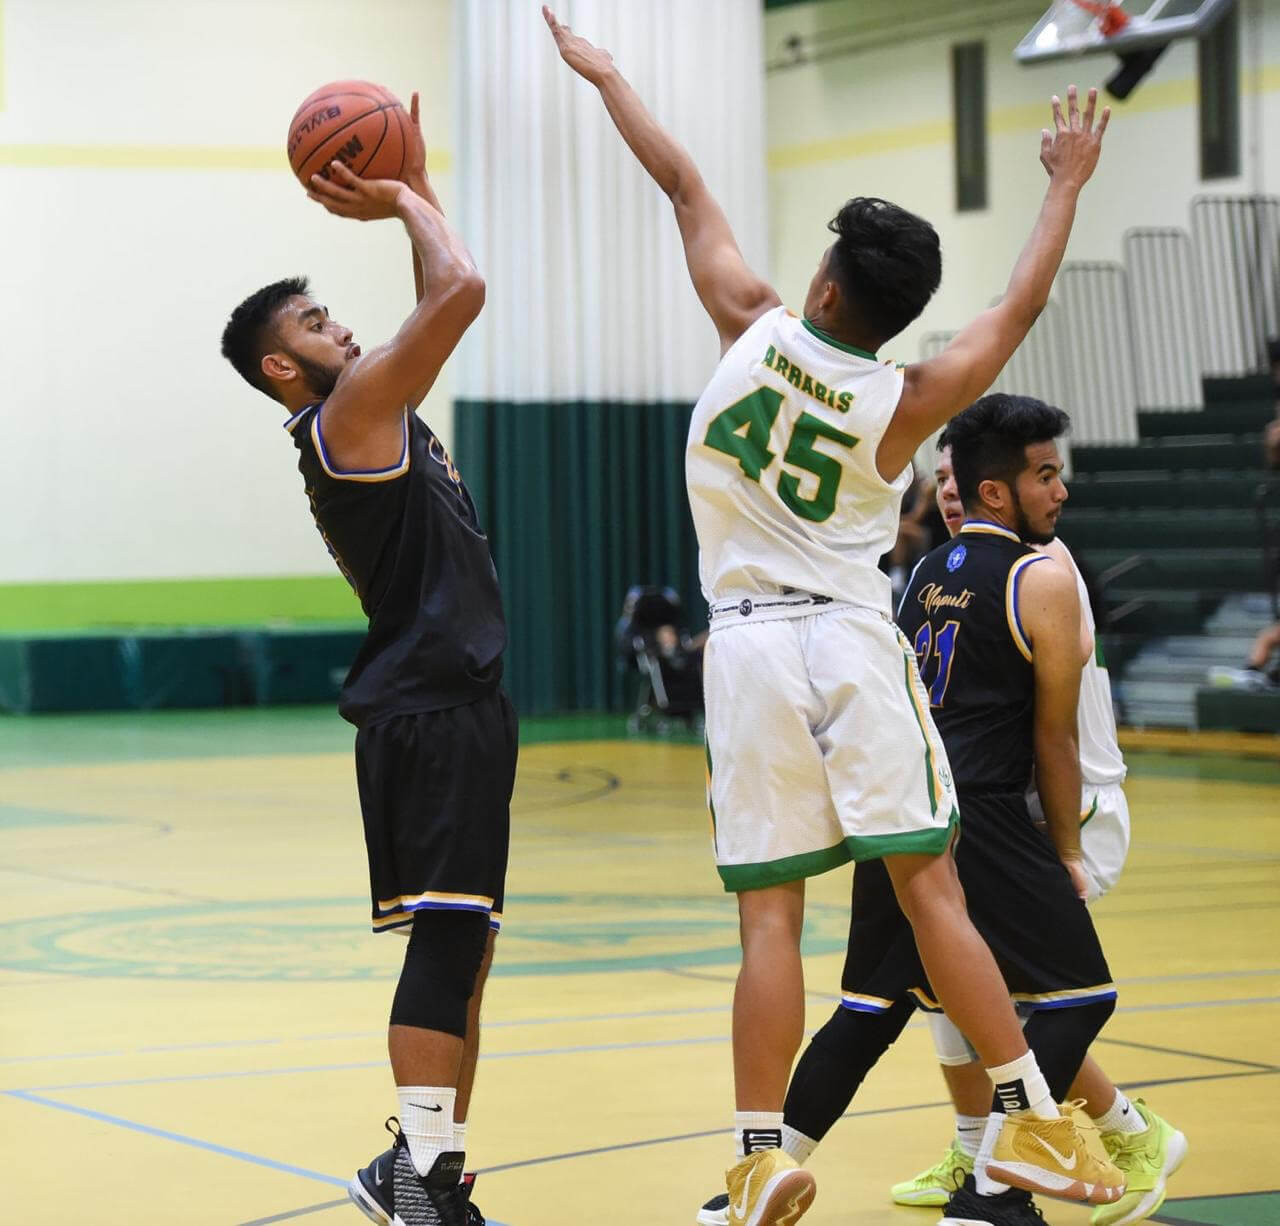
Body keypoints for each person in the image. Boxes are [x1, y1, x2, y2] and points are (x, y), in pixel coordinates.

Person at [544, 10, 1120, 1225]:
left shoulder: (748, 319)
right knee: (931, 892)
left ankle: (760, 1152)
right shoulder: (907, 400)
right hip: (855, 639)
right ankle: (1024, 1113)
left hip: (745, 643)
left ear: (821, 281)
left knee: (771, 914)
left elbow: (682, 180)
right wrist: (1064, 184)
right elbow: (1013, 307)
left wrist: (604, 74)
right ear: (899, 311)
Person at [713, 411, 1181, 1226]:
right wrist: (1057, 844)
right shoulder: (1011, 572)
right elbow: (1047, 733)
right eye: (1044, 476)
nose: (1060, 490)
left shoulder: (947, 569)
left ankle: (773, 1173)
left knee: (903, 1008)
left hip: (932, 802)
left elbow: (1023, 724)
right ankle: (1001, 1184)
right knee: (1039, 998)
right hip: (977, 808)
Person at [219, 94, 513, 1226]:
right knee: (446, 940)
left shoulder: (377, 407)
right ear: (280, 369)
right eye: (313, 323)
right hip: (427, 707)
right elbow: (464, 291)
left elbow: (446, 293)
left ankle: (428, 1165)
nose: (338, 325)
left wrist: (417, 183)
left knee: (467, 941)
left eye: (331, 311)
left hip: (462, 702)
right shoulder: (347, 422)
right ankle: (419, 1175)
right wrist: (399, 195)